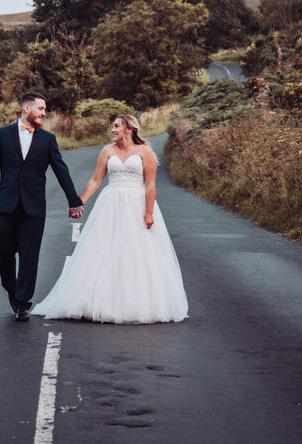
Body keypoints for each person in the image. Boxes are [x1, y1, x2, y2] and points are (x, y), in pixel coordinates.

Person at [32, 114, 189, 323]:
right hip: (110, 204)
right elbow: (96, 180)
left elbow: (151, 185)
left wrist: (149, 212)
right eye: (113, 127)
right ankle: (96, 300)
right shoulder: (107, 150)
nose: (112, 130)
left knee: (135, 252)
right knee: (102, 250)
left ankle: (135, 303)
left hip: (137, 204)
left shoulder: (145, 152)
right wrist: (79, 202)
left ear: (129, 129)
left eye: (116, 126)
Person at [0, 91, 84, 321]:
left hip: (34, 206)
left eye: (45, 110)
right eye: (41, 109)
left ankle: (22, 303)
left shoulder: (48, 139)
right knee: (4, 251)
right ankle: (12, 289)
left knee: (30, 255)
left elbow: (61, 169)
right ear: (26, 109)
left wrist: (74, 199)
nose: (44, 113)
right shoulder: (2, 135)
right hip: (6, 204)